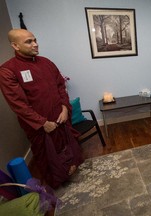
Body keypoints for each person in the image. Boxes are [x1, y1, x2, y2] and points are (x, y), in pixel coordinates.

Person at [0, 29, 83, 189]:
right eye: (29, 41)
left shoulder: (46, 62)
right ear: (15, 45)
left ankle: (71, 169)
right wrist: (43, 123)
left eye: (35, 40)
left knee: (68, 147)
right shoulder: (8, 70)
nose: (35, 44)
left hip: (61, 118)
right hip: (41, 127)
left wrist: (65, 108)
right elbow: (18, 104)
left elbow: (61, 86)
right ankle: (58, 182)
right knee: (49, 156)